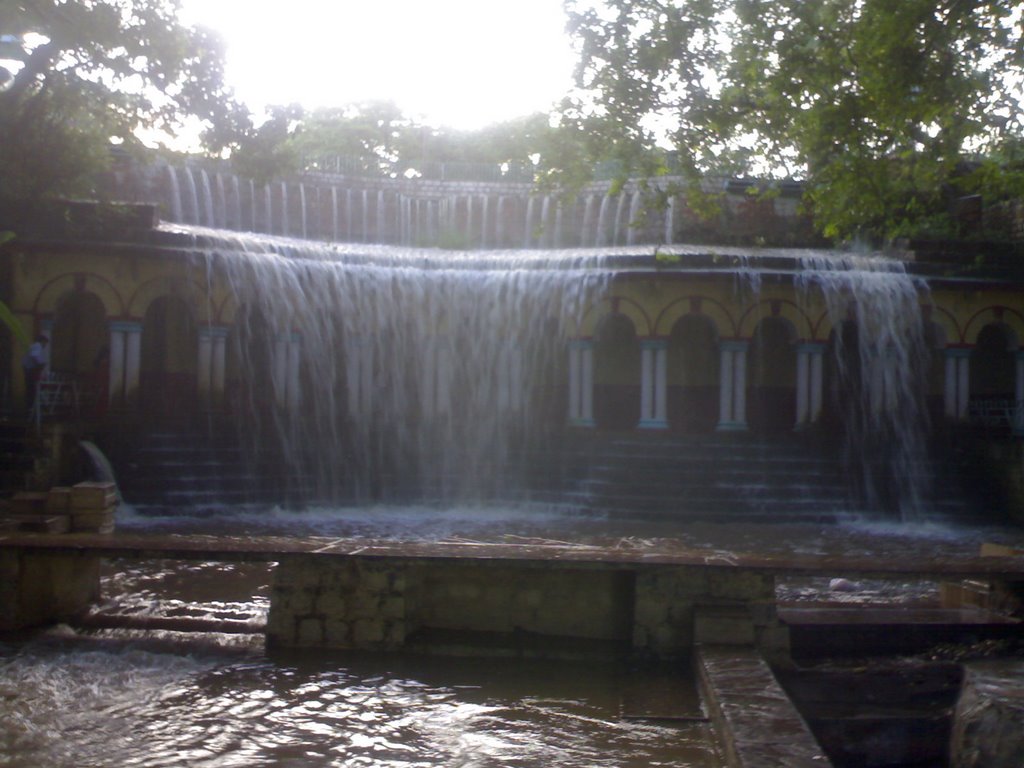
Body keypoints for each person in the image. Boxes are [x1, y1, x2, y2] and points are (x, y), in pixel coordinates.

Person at [21, 333, 49, 413]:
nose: (45, 346)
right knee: (32, 389)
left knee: (31, 389)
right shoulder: (37, 346)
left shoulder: (33, 346)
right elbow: (35, 355)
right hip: (30, 370)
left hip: (29, 369)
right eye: (45, 343)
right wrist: (41, 363)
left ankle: (31, 408)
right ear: (42, 341)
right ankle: (31, 409)